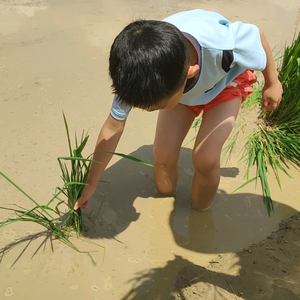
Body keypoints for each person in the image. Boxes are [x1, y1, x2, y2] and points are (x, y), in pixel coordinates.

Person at [73, 9, 282, 211]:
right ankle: (164, 200)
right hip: (180, 91)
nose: (149, 111)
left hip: (225, 83)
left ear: (190, 73)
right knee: (162, 154)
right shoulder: (139, 77)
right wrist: (92, 182)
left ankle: (199, 213)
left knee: (206, 158)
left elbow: (257, 34)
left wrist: (272, 83)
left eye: (158, 107)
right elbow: (112, 128)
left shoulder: (222, 46)